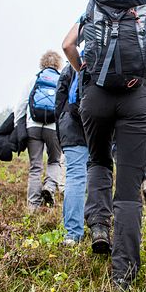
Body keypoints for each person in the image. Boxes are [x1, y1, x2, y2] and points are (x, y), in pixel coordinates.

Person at [62, 0, 146, 290]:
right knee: (128, 190)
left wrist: (86, 72)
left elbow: (68, 44)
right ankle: (123, 276)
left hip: (95, 96)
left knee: (97, 160)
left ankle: (97, 226)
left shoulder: (98, 2)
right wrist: (137, 80)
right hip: (135, 100)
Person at [14, 50, 64, 211]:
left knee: (35, 166)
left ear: (42, 63)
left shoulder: (34, 80)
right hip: (53, 128)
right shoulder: (61, 80)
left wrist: (19, 127)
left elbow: (20, 106)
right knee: (54, 161)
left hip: (33, 127)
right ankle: (49, 187)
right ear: (59, 64)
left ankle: (33, 206)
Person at [55, 63, 87, 245]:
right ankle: (95, 224)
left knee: (75, 177)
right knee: (95, 177)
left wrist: (60, 126)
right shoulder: (106, 60)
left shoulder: (71, 66)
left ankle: (73, 233)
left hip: (71, 125)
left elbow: (59, 100)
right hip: (96, 127)